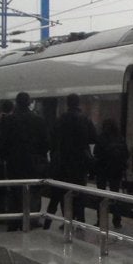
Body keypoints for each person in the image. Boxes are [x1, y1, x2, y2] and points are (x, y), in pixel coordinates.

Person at [0, 92, 50, 227]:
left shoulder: (8, 120)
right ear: (29, 103)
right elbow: (45, 144)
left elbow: (3, 143)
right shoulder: (39, 120)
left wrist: (5, 157)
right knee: (32, 193)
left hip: (14, 164)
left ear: (16, 102)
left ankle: (14, 221)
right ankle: (30, 220)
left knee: (15, 193)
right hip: (33, 164)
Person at [46, 93, 97, 225]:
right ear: (78, 103)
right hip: (80, 162)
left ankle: (67, 220)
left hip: (64, 162)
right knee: (80, 191)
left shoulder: (60, 119)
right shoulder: (85, 119)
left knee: (65, 193)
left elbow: (52, 139)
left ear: (68, 103)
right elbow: (93, 137)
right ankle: (80, 219)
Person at [94, 117, 128, 229]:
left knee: (101, 196)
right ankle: (117, 221)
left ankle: (101, 220)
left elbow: (96, 153)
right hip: (116, 171)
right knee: (115, 195)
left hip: (102, 170)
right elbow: (126, 154)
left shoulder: (101, 138)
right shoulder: (120, 138)